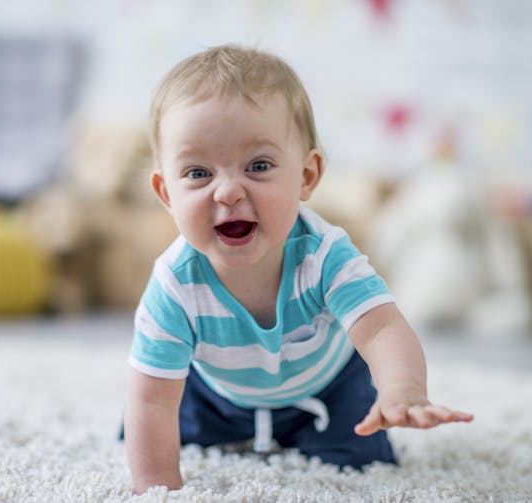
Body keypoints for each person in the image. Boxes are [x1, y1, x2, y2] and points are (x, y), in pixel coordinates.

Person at [123, 44, 473, 494]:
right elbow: (151, 398)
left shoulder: (325, 255)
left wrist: (403, 388)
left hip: (326, 388)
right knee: (150, 426)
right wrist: (156, 487)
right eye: (197, 173)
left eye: (259, 165)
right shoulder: (174, 283)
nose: (228, 192)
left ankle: (316, 432)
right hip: (217, 394)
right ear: (166, 193)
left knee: (361, 460)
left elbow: (382, 328)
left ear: (307, 176)